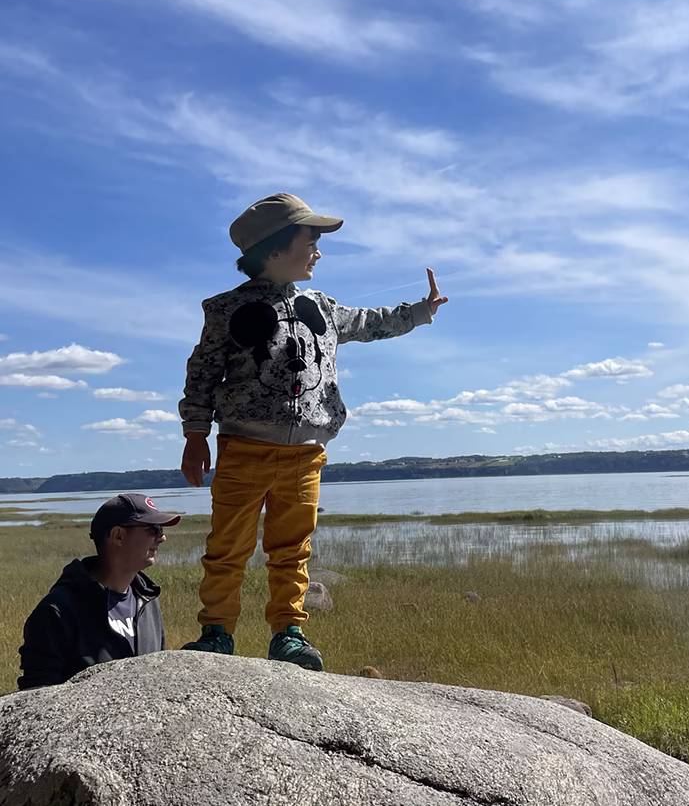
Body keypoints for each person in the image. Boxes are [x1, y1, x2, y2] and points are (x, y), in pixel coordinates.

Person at [178, 192, 447, 670]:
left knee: (292, 548)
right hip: (243, 447)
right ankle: (216, 632)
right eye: (311, 241)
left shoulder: (321, 306)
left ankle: (289, 632)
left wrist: (420, 312)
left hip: (306, 453)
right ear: (275, 249)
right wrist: (195, 435)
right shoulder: (226, 310)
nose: (318, 252)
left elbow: (369, 322)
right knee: (227, 547)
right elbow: (202, 374)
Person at [17, 493, 182, 689]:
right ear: (118, 535)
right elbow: (36, 696)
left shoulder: (147, 600)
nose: (162, 537)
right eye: (153, 529)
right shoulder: (57, 612)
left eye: (161, 529)